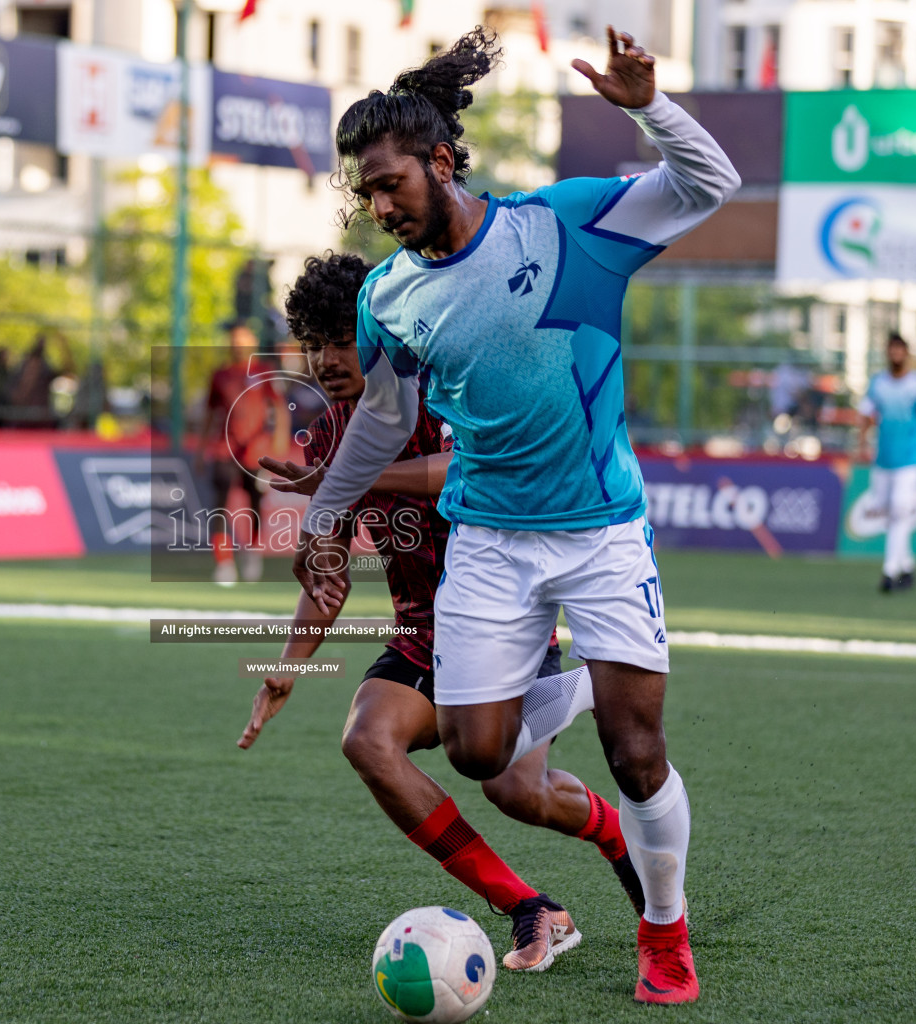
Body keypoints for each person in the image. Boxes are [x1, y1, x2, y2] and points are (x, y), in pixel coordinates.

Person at [291, 28, 739, 1004]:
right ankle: (576, 687)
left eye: (390, 183)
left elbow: (712, 183)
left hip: (600, 528)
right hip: (489, 544)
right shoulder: (387, 297)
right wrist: (325, 517)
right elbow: (379, 421)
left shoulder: (565, 224)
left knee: (636, 750)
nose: (377, 205)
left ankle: (664, 934)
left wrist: (646, 106)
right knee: (478, 751)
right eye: (364, 192)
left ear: (442, 162)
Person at [244, 253, 643, 973]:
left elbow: (464, 473)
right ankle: (531, 908)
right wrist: (287, 667)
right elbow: (328, 573)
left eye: (341, 339)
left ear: (380, 332)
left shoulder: (446, 384)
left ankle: (618, 834)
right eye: (312, 343)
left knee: (516, 790)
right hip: (424, 636)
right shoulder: (331, 429)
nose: (325, 359)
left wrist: (345, 477)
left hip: (505, 620)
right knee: (367, 740)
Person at [197, 322, 286, 585]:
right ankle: (223, 563)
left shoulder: (264, 372)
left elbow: (279, 407)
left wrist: (279, 438)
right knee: (220, 505)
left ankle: (252, 552)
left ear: (252, 343)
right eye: (234, 341)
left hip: (255, 453)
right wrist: (201, 451)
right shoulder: (220, 375)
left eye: (242, 341)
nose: (238, 346)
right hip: (225, 451)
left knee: (255, 505)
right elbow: (210, 414)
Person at [856, 333, 916, 592]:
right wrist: (861, 443)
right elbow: (865, 415)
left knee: (899, 511)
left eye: (900, 350)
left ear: (906, 353)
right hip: (883, 462)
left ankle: (889, 572)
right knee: (886, 511)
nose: (896, 355)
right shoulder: (878, 384)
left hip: (909, 462)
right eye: (891, 350)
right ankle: (906, 564)